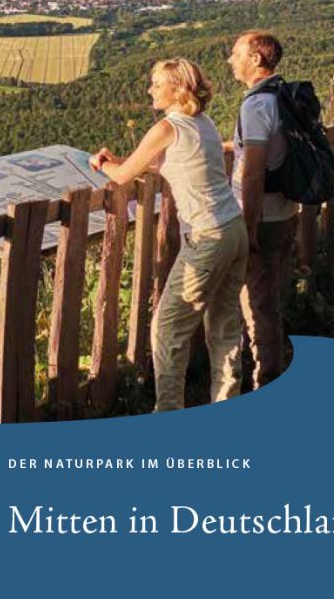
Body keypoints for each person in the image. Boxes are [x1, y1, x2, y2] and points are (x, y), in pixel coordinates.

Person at [90, 58, 248, 412]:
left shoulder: (166, 127)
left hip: (207, 238)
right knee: (224, 328)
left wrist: (102, 161)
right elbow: (167, 160)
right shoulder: (201, 122)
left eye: (157, 83)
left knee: (168, 330)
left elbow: (122, 176)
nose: (150, 89)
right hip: (234, 230)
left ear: (177, 89)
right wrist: (124, 159)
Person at [228, 31, 298, 389]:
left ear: (256, 59)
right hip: (285, 213)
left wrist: (248, 225)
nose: (231, 60)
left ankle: (266, 380)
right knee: (268, 299)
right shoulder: (282, 96)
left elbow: (253, 171)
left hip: (263, 219)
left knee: (259, 306)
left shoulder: (256, 106)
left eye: (237, 53)